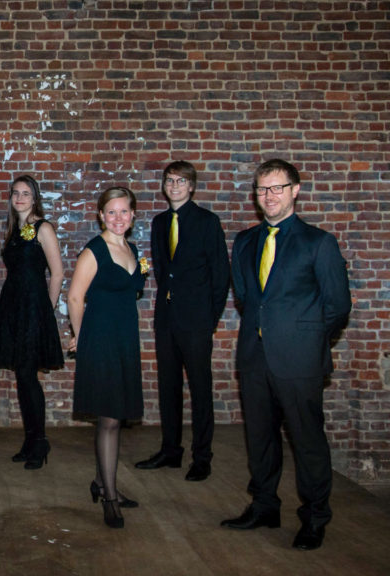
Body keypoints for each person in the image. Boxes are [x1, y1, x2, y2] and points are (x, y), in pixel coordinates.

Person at [221, 159, 350, 551]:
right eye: (262, 189)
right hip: (254, 356)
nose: (269, 196)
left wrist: (306, 341)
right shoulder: (245, 241)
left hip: (299, 360)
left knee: (307, 441)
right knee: (260, 437)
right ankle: (264, 506)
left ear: (295, 190)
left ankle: (314, 517)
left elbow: (337, 306)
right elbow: (246, 297)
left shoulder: (318, 242)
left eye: (277, 187)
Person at [135, 161, 229, 482]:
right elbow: (162, 270)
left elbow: (220, 275)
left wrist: (209, 318)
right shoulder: (160, 222)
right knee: (169, 387)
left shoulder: (207, 221)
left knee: (200, 389)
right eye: (169, 180)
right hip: (167, 318)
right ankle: (171, 450)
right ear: (164, 186)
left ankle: (202, 457)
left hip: (197, 320)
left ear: (191, 186)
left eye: (181, 181)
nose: (174, 186)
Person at [68, 186, 147, 529]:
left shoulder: (132, 249)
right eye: (111, 212)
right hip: (100, 339)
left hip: (125, 339)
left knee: (116, 413)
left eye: (124, 211)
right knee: (110, 419)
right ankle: (110, 498)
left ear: (133, 215)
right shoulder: (94, 251)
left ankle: (101, 482)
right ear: (101, 215)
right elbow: (75, 297)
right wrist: (81, 337)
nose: (118, 217)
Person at [0, 175, 65, 470]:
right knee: (22, 377)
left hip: (34, 307)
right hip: (13, 306)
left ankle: (40, 441)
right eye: (15, 193)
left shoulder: (43, 228)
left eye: (25, 193)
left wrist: (46, 309)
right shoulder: (13, 229)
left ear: (35, 198)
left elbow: (57, 273)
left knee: (27, 375)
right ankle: (30, 439)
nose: (19, 198)